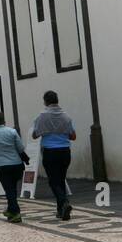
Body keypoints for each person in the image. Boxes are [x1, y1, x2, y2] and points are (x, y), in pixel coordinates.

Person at [32, 90, 76, 221]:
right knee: (61, 179)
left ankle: (64, 202)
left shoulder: (42, 117)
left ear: (45, 102)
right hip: (65, 152)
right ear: (57, 100)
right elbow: (73, 136)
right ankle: (61, 210)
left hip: (50, 152)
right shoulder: (66, 117)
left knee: (53, 181)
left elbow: (35, 135)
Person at [0, 111, 28, 223]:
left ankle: (15, 213)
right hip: (16, 165)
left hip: (1, 166)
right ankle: (10, 210)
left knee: (9, 189)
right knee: (11, 188)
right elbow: (21, 148)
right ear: (4, 121)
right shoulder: (12, 132)